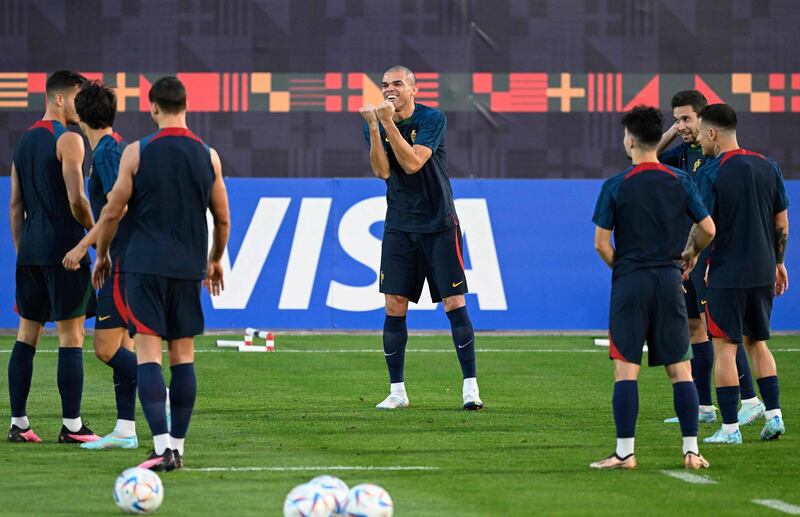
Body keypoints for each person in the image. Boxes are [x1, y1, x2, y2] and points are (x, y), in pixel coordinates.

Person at [90, 76, 230, 470]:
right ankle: (179, 449)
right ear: (187, 106)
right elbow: (222, 220)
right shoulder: (209, 155)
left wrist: (102, 256)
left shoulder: (137, 152)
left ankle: (161, 447)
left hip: (143, 266)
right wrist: (215, 259)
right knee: (183, 355)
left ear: (153, 108)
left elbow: (112, 211)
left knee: (149, 353)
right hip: (188, 269)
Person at [590, 106, 715, 470]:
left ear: (629, 139)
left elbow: (601, 243)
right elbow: (708, 228)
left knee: (626, 368)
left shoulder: (616, 184)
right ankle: (691, 450)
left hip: (631, 282)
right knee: (681, 369)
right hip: (668, 281)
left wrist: (624, 268)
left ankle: (625, 453)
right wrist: (690, 253)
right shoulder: (680, 180)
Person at [359, 65, 481, 411]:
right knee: (394, 305)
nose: (390, 90)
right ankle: (397, 391)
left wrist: (386, 124)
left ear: (414, 89)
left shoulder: (432, 119)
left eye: (397, 84)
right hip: (400, 225)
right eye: (385, 85)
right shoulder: (375, 122)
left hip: (439, 223)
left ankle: (470, 388)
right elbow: (382, 171)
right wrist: (373, 124)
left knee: (453, 302)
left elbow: (413, 163)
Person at [659, 91, 764, 426]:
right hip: (688, 251)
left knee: (721, 330)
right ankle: (703, 405)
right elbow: (649, 157)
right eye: (676, 119)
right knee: (694, 328)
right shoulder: (682, 154)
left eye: (687, 119)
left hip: (710, 254)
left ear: (705, 121)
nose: (682, 126)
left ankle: (750, 400)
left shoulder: (717, 156)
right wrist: (672, 132)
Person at [7, 70, 100, 444]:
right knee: (72, 336)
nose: (83, 107)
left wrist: (23, 252)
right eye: (79, 97)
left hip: (30, 251)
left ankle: (18, 423)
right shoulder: (70, 140)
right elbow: (77, 200)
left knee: (26, 336)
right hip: (65, 251)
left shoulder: (24, 142)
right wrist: (96, 234)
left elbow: (15, 206)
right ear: (59, 98)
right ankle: (73, 426)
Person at [694, 104, 789, 444]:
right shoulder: (769, 167)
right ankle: (774, 415)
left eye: (702, 133)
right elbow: (781, 223)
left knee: (724, 348)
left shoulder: (710, 172)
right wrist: (779, 262)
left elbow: (705, 227)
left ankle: (731, 428)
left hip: (726, 273)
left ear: (713, 133)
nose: (700, 140)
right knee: (757, 343)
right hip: (763, 269)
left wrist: (691, 256)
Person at [61, 80, 139, 449]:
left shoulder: (107, 153)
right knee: (125, 343)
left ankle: (163, 392)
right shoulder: (116, 146)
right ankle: (125, 429)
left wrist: (85, 247)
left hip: (122, 262)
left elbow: (116, 208)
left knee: (106, 349)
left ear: (81, 114)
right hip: (131, 258)